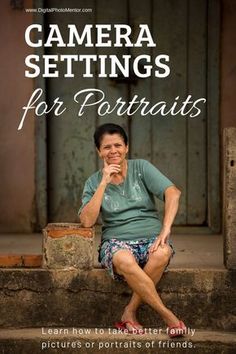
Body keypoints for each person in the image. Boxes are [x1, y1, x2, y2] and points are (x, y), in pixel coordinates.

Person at [78, 123, 186, 337]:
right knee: (125, 260)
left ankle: (129, 311)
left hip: (150, 238)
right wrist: (103, 183)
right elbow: (87, 221)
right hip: (117, 242)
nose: (113, 151)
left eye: (118, 145)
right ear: (99, 151)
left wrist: (165, 230)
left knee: (162, 252)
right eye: (107, 147)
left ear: (126, 147)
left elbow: (173, 193)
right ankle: (168, 316)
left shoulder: (141, 168)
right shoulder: (92, 182)